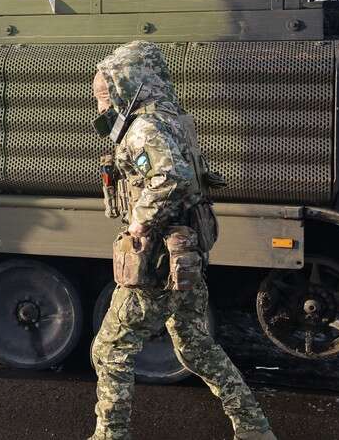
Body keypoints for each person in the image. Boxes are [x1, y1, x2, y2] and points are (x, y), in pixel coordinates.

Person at [89, 40, 275, 440]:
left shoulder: (145, 128)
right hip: (185, 254)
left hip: (157, 260)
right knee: (195, 347)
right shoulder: (173, 119)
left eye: (105, 93)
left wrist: (139, 222)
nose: (102, 103)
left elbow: (172, 178)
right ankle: (254, 429)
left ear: (129, 83)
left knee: (109, 351)